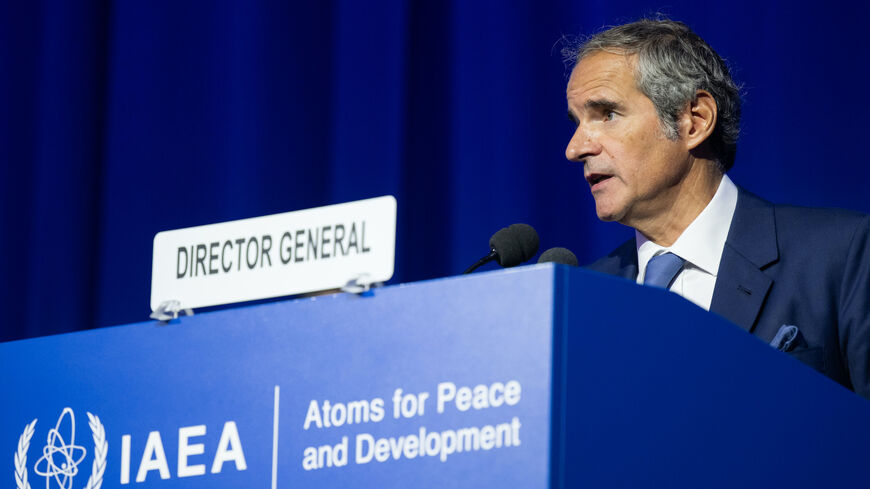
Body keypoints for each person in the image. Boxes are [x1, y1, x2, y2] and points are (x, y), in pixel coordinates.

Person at [563, 19, 870, 398]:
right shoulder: (585, 299)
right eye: (576, 122)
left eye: (606, 114)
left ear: (695, 120)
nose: (575, 148)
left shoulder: (840, 256)